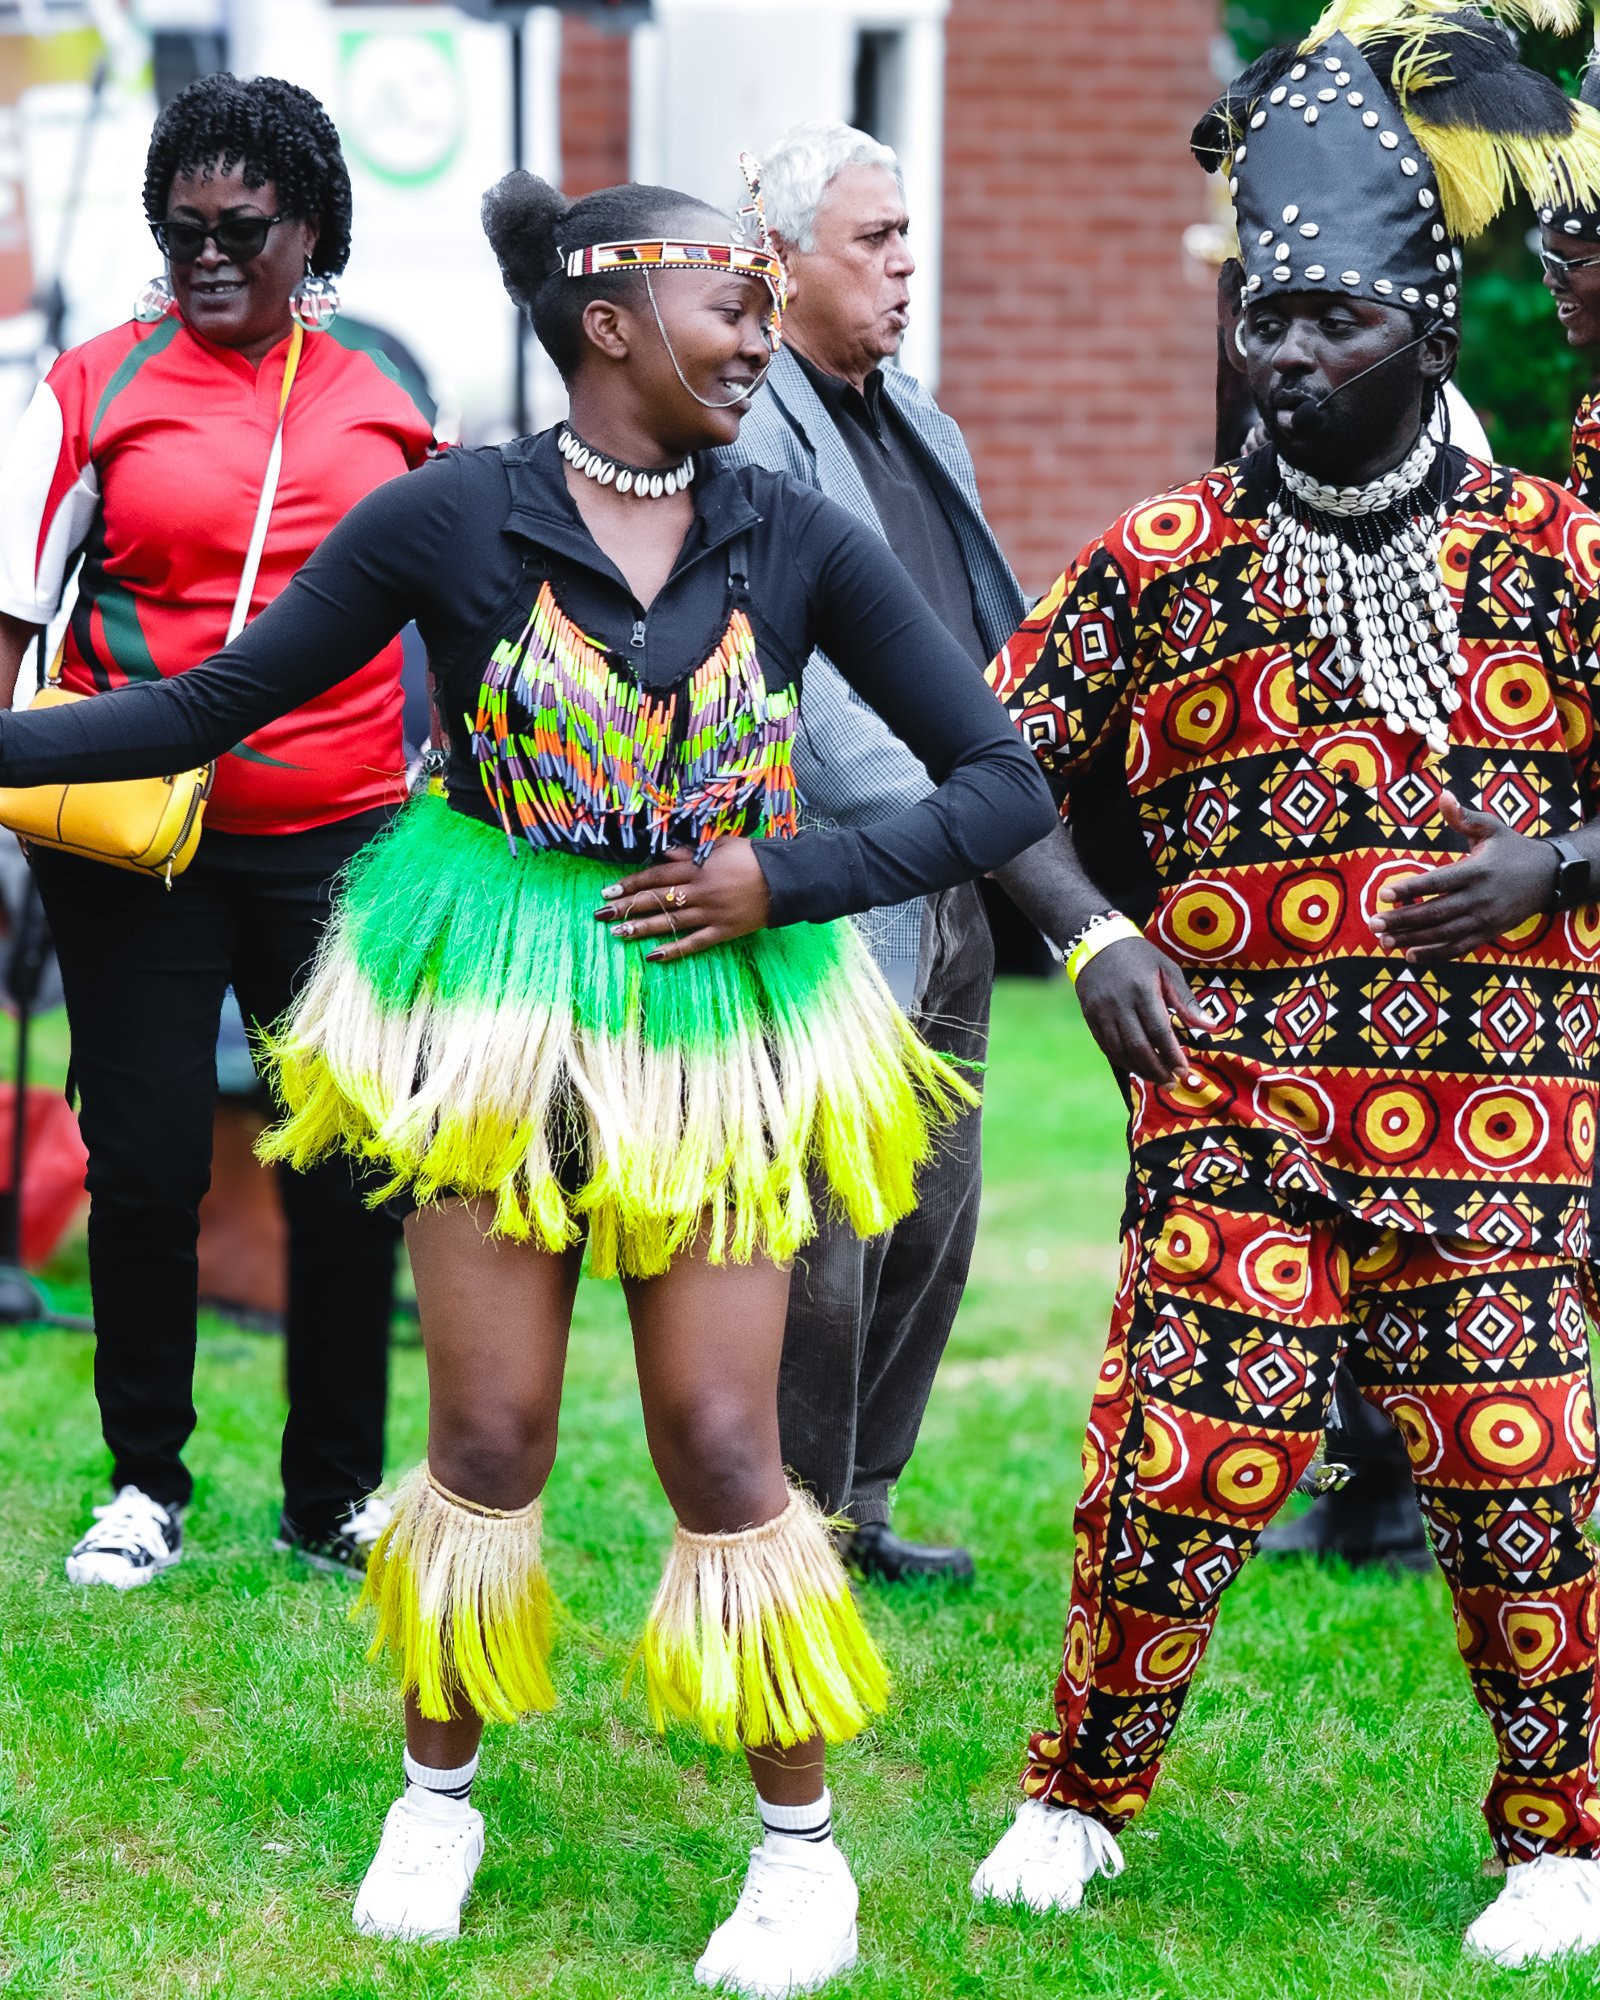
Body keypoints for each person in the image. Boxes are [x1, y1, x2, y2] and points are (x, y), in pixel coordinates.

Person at [0, 165, 1055, 1990]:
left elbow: (1000, 781)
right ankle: (438, 1791)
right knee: (484, 1442)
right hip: (493, 1008)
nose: (756, 343)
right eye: (733, 309)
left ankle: (802, 1857)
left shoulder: (797, 532)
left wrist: (777, 877)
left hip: (717, 1024)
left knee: (727, 1445)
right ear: (612, 321)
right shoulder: (449, 520)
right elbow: (199, 712)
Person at [968, 2, 1600, 1966]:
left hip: (1499, 1119)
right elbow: (988, 768)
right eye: (1263, 319)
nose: (1281, 356)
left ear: (1423, 333)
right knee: (1180, 1457)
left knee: (1521, 1476)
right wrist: (1089, 928)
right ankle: (1074, 1796)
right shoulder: (1166, 556)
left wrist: (1552, 859)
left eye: (1325, 322)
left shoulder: (1547, 553)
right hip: (1238, 1104)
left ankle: (1559, 1836)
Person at [0, 74, 433, 1587]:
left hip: (341, 842)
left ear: (307, 229)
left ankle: (331, 1496)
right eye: (180, 227)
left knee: (345, 1162)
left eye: (241, 229)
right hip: (133, 845)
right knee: (144, 1161)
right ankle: (144, 1485)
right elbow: (12, 614)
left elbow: (452, 601)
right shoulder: (92, 386)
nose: (207, 256)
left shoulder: (381, 390)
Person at [713, 120, 1027, 1583]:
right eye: (875, 243)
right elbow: (808, 696)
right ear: (779, 267)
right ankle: (783, 1515)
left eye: (909, 238)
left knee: (935, 1196)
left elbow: (984, 643)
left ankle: (863, 1507)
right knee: (825, 1217)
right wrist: (963, 814)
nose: (907, 266)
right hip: (836, 872)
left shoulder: (924, 421)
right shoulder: (748, 427)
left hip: (951, 861)